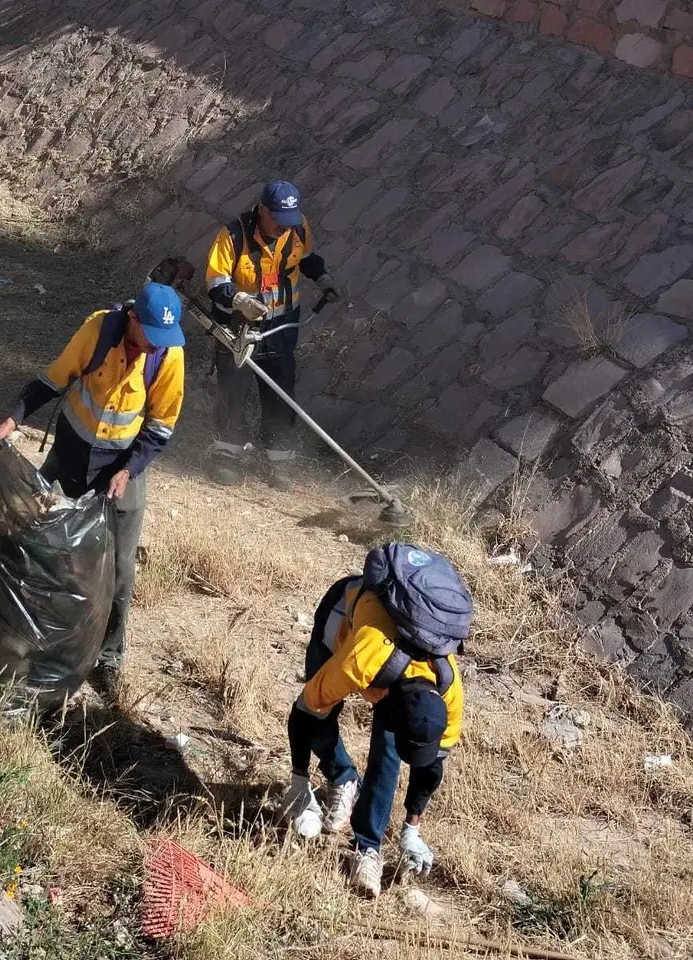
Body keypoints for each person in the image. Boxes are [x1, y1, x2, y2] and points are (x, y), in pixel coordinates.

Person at [0, 283, 186, 697]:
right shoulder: (97, 330)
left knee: (118, 570)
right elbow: (55, 377)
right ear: (133, 320)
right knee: (36, 539)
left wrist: (129, 472)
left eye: (164, 339)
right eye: (151, 334)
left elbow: (161, 425)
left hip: (122, 467)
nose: (156, 346)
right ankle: (23, 635)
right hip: (72, 454)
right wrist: (14, 419)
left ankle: (109, 657)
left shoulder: (168, 354)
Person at [281, 543, 471, 898]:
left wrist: (412, 829)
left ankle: (367, 847)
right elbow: (304, 710)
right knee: (322, 718)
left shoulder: (448, 687)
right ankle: (342, 776)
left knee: (387, 754)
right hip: (342, 613)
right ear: (384, 700)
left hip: (394, 679)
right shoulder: (362, 659)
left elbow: (431, 769)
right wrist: (298, 781)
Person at [205, 180, 338, 491]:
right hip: (238, 327)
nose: (283, 227)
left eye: (288, 219)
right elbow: (215, 281)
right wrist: (238, 299)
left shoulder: (297, 227)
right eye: (277, 218)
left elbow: (305, 258)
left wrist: (323, 278)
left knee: (280, 390)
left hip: (282, 327)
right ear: (262, 209)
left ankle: (277, 456)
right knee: (233, 387)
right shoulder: (233, 236)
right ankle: (228, 451)